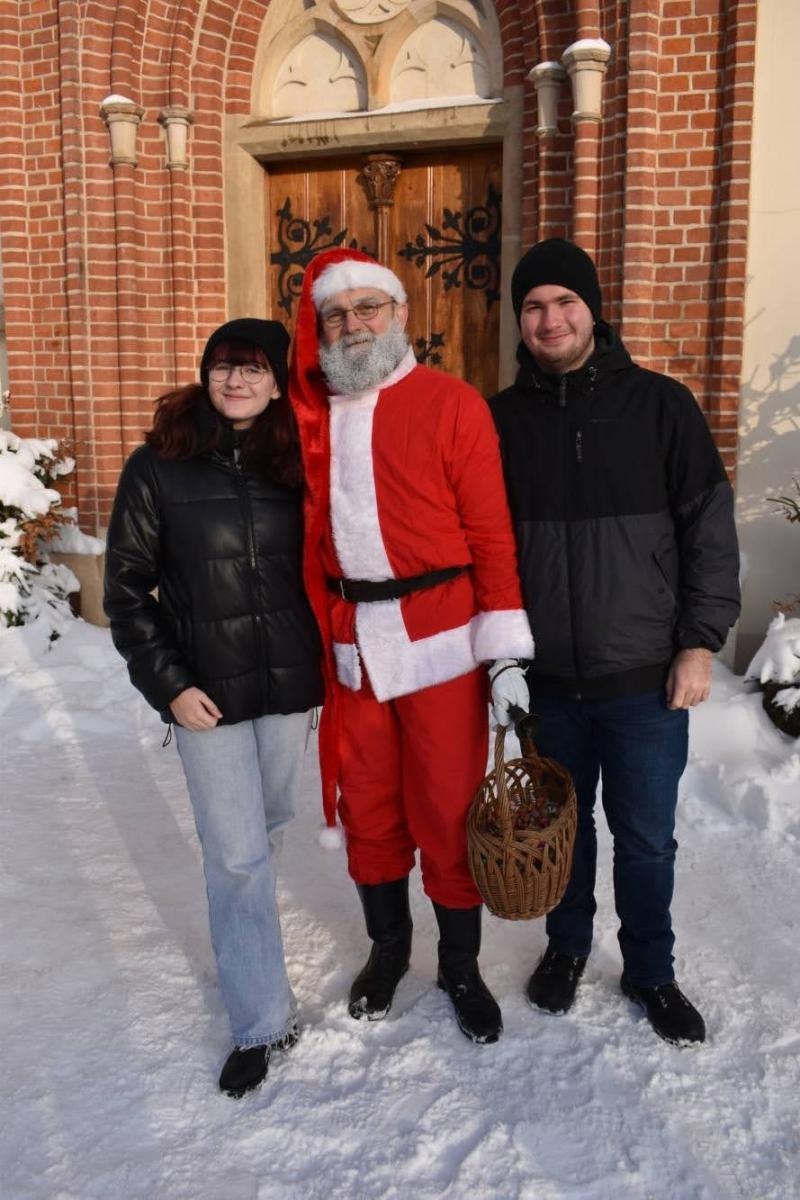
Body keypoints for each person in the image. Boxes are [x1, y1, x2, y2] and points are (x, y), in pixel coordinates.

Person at [489, 238, 741, 1045]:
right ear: (519, 322)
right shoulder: (499, 421)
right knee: (562, 829)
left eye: (564, 302)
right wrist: (496, 656)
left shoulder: (661, 407)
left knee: (644, 837)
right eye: (533, 307)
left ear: (593, 308)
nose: (550, 319)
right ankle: (566, 950)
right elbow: (478, 545)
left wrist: (699, 642)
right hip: (548, 680)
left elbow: (709, 534)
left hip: (643, 679)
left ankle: (650, 969)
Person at [288, 248, 534, 1044]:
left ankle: (458, 964)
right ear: (320, 330)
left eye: (368, 309)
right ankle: (389, 950)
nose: (353, 325)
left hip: (441, 641)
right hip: (356, 645)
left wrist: (503, 651)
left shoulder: (451, 403)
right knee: (370, 804)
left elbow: (492, 534)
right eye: (337, 314)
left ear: (400, 315)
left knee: (448, 805)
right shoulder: (311, 417)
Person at [104, 319, 324, 1097]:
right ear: (206, 374)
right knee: (235, 856)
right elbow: (125, 593)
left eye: (254, 369)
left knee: (261, 833)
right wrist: (168, 684)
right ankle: (262, 1019)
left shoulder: (298, 460)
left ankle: (250, 939)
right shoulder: (159, 465)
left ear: (276, 381)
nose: (236, 381)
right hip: (207, 697)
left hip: (291, 689)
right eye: (224, 367)